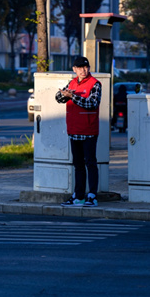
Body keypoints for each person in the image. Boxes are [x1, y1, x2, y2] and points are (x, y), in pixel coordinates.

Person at [55, 56, 102, 207]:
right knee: (78, 165)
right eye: (80, 67)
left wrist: (72, 96)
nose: (84, 70)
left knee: (91, 163)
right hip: (74, 131)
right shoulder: (72, 83)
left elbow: (92, 104)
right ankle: (78, 195)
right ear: (74, 69)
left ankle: (92, 196)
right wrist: (63, 94)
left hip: (89, 131)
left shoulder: (95, 84)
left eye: (86, 67)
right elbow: (59, 98)